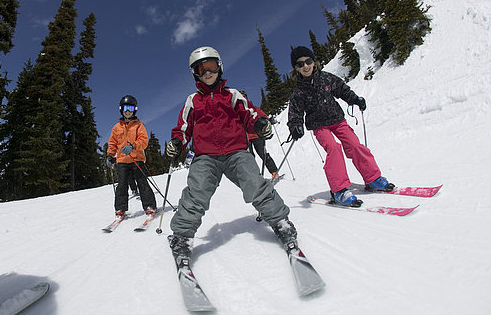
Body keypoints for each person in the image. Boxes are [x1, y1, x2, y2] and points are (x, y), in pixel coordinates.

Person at [165, 46, 298, 266]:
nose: (207, 72)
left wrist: (260, 123)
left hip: (237, 151)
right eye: (201, 69)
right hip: (205, 156)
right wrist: (177, 142)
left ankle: (280, 222)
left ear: (220, 67)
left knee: (255, 184)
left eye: (211, 66)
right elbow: (183, 127)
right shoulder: (193, 101)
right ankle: (181, 237)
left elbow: (250, 113)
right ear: (195, 74)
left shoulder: (232, 95)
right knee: (196, 192)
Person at [287, 46, 395, 207]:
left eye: (308, 61)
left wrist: (355, 99)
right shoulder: (299, 92)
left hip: (338, 120)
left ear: (314, 62)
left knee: (355, 145)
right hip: (320, 126)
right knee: (334, 148)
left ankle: (373, 179)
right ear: (296, 69)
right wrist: (295, 126)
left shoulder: (326, 78)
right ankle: (339, 191)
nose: (305, 66)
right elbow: (295, 112)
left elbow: (342, 90)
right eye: (300, 64)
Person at [106, 95, 156, 217]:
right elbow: (112, 143)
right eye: (125, 108)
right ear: (121, 110)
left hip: (137, 159)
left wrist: (133, 146)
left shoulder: (138, 125)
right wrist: (110, 156)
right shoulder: (116, 127)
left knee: (142, 182)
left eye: (130, 108)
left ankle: (149, 206)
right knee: (122, 185)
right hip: (122, 161)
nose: (128, 111)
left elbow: (144, 140)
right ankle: (120, 209)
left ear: (135, 110)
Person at [238, 89, 280, 181]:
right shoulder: (237, 112)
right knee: (250, 157)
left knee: (263, 154)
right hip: (245, 137)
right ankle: (255, 177)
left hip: (257, 136)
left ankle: (274, 172)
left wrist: (267, 120)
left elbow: (262, 116)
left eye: (243, 97)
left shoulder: (253, 109)